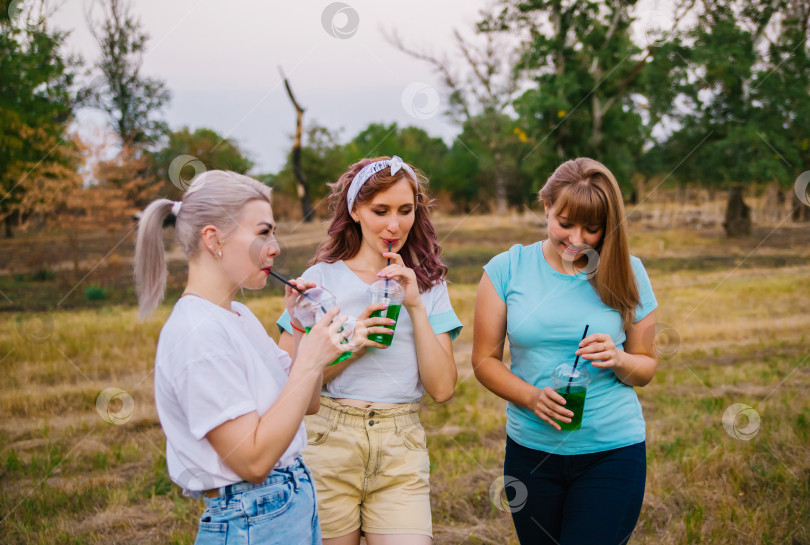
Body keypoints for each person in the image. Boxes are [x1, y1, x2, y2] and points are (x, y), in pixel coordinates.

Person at [134, 170, 373, 545]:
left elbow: (306, 405)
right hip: (251, 519)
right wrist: (311, 360)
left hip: (287, 505)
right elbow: (253, 461)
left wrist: (299, 329)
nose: (275, 247)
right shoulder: (197, 335)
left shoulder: (238, 317)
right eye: (263, 233)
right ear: (214, 239)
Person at [276, 156, 463, 545]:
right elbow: (288, 387)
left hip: (400, 445)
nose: (394, 225)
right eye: (381, 211)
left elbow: (443, 388)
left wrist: (414, 304)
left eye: (405, 210)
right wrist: (351, 348)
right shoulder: (319, 280)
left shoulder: (429, 286)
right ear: (355, 210)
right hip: (328, 441)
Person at [472, 158, 659, 545]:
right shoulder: (506, 269)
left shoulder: (629, 271)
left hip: (613, 451)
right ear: (546, 207)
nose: (577, 239)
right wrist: (531, 397)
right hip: (531, 454)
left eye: (592, 229)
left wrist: (619, 358)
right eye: (565, 223)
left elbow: (646, 368)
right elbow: (483, 362)